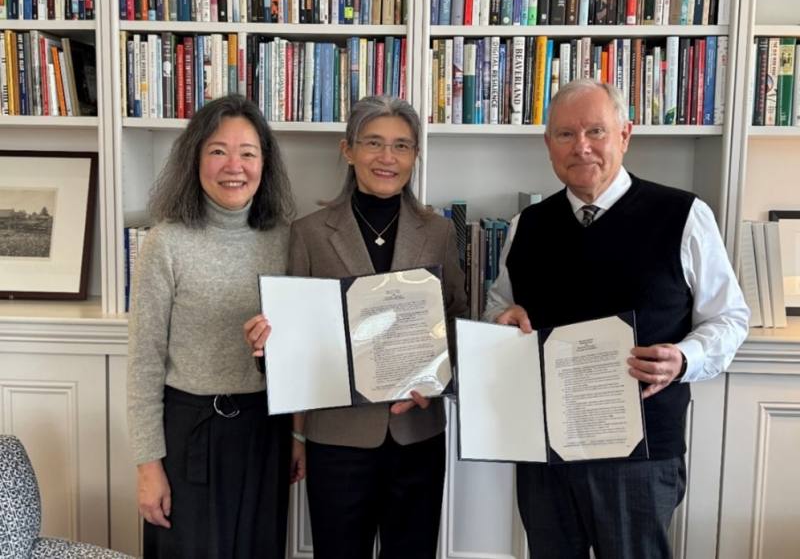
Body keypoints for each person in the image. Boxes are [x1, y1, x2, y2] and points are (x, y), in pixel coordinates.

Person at [484, 78, 749, 559]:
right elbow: (498, 306)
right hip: (546, 450)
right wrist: (502, 318)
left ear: (625, 134)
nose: (581, 147)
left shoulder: (684, 215)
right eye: (565, 134)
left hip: (639, 455)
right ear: (548, 145)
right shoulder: (529, 226)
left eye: (595, 131)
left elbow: (729, 318)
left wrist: (683, 359)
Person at [245, 95, 468, 559]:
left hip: (418, 434)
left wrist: (440, 378)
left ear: (414, 156)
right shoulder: (308, 233)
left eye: (402, 146)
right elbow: (295, 344)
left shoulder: (440, 232)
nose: (388, 158)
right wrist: (296, 427)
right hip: (338, 438)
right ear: (349, 151)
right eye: (374, 143)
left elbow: (457, 325)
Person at [127, 95, 297, 558]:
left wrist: (298, 434)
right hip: (189, 435)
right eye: (218, 151)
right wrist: (148, 467)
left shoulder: (286, 239)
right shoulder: (165, 243)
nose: (234, 166)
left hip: (266, 430)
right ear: (195, 159)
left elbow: (302, 352)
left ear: (265, 162)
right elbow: (144, 362)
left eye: (248, 152)